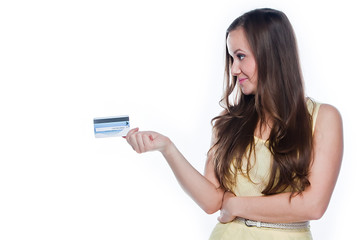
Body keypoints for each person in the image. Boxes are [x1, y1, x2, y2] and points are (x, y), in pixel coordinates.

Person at [124, 8, 343, 240]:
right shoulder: (229, 122)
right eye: (231, 58)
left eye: (240, 56)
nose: (234, 69)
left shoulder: (323, 118)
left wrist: (236, 205)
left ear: (271, 55)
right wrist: (167, 148)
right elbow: (212, 202)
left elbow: (314, 205)